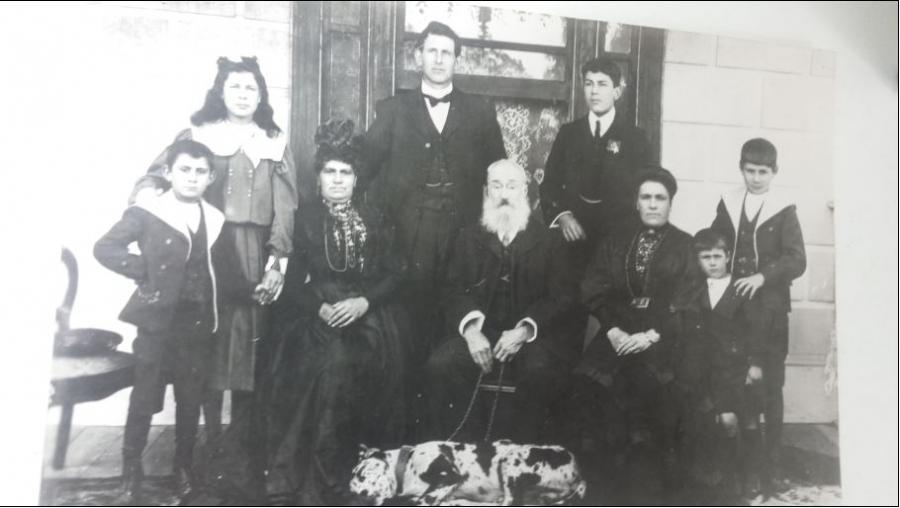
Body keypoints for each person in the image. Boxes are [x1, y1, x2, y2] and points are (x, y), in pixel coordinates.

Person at [130, 56, 299, 447]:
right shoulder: (197, 134)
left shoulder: (273, 141)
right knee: (206, 339)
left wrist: (277, 263)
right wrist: (152, 209)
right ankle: (205, 440)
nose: (243, 95)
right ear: (220, 92)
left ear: (261, 96)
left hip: (253, 252)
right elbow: (157, 177)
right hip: (204, 249)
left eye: (251, 88)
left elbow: (286, 208)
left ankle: (240, 445)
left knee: (246, 345)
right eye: (235, 87)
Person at [265, 119, 412, 505]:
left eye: (345, 172)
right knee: (327, 364)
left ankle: (345, 475)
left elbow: (399, 272)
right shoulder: (306, 218)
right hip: (320, 314)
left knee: (349, 363)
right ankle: (317, 479)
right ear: (319, 176)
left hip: (370, 317)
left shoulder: (376, 216)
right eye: (329, 171)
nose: (337, 179)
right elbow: (293, 283)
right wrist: (320, 307)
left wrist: (364, 303)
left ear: (356, 177)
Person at [95, 140, 242, 502]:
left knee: (191, 399)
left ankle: (183, 468)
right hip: (157, 324)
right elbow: (105, 247)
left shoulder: (216, 219)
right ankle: (131, 470)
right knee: (144, 396)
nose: (192, 178)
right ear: (168, 173)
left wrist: (266, 282)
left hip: (196, 324)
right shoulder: (149, 211)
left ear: (210, 177)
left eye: (200, 172)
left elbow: (228, 274)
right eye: (185, 170)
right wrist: (141, 270)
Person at [362, 21, 506, 351]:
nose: (439, 59)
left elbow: (499, 173)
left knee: (456, 323)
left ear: (457, 60)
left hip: (464, 236)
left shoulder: (480, 113)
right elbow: (363, 171)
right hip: (406, 240)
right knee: (408, 327)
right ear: (418, 57)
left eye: (447, 53)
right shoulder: (393, 111)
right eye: (432, 51)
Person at [424, 159, 582, 444]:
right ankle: (466, 456)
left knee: (541, 371)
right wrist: (471, 332)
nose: (504, 193)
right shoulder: (467, 238)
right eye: (497, 186)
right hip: (481, 335)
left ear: (525, 193)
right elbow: (451, 289)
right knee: (441, 364)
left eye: (512, 186)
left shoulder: (549, 241)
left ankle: (522, 462)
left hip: (532, 339)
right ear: (486, 193)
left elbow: (562, 297)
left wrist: (523, 331)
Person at [573, 166, 697, 504]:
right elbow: (594, 288)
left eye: (661, 198)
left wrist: (650, 336)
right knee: (590, 382)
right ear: (636, 202)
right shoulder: (615, 241)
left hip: (664, 339)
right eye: (646, 197)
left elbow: (688, 303)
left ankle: (643, 493)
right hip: (617, 333)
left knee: (647, 388)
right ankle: (602, 489)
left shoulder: (686, 246)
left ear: (671, 203)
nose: (653, 204)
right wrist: (612, 330)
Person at [710, 138, 806, 486]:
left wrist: (763, 276)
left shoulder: (784, 208)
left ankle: (773, 466)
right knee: (737, 380)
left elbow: (797, 260)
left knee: (770, 384)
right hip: (735, 308)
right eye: (749, 171)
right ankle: (744, 465)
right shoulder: (730, 202)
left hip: (770, 311)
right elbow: (713, 243)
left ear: (774, 172)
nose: (755, 178)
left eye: (762, 171)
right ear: (741, 169)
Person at [671, 228, 772, 501]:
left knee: (750, 421)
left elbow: (758, 330)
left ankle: (753, 477)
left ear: (728, 256)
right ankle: (729, 478)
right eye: (706, 257)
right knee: (726, 421)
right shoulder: (694, 290)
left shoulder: (742, 287)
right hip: (712, 370)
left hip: (741, 367)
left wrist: (755, 364)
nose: (713, 262)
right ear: (698, 260)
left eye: (718, 256)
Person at [540, 57, 651, 271]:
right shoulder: (569, 133)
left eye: (602, 84)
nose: (594, 91)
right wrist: (562, 216)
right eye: (589, 83)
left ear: (617, 92)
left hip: (617, 243)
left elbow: (646, 188)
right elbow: (550, 185)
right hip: (573, 241)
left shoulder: (635, 138)